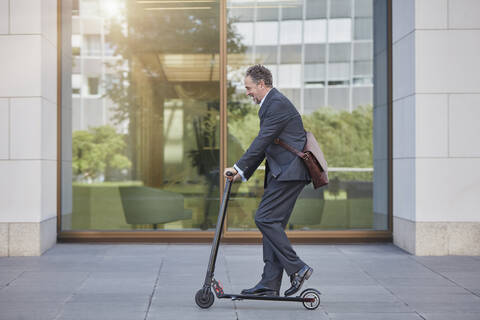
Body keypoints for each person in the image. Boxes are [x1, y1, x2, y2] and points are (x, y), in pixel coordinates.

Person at [224, 65, 313, 297]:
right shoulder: (271, 104)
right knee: (272, 223)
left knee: (264, 218)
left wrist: (237, 168)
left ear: (262, 84)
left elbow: (261, 141)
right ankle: (269, 283)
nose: (247, 93)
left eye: (249, 88)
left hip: (289, 173)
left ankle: (298, 267)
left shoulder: (277, 104)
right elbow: (265, 145)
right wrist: (241, 173)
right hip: (283, 173)